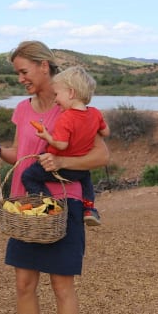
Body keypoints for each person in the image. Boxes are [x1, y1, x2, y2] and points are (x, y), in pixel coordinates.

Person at [0, 40, 109, 314]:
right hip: (25, 205)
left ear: (43, 66)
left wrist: (63, 161)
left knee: (62, 285)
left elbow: (101, 156)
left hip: (65, 205)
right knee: (24, 283)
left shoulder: (73, 109)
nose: (20, 78)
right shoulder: (22, 109)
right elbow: (22, 152)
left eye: (24, 71)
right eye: (17, 72)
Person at [20, 65, 110, 226]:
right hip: (80, 169)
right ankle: (89, 209)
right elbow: (106, 132)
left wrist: (47, 135)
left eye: (57, 94)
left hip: (59, 167)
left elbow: (61, 145)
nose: (55, 99)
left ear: (71, 93)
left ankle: (49, 208)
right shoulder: (95, 113)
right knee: (86, 178)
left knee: (28, 176)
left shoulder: (66, 117)